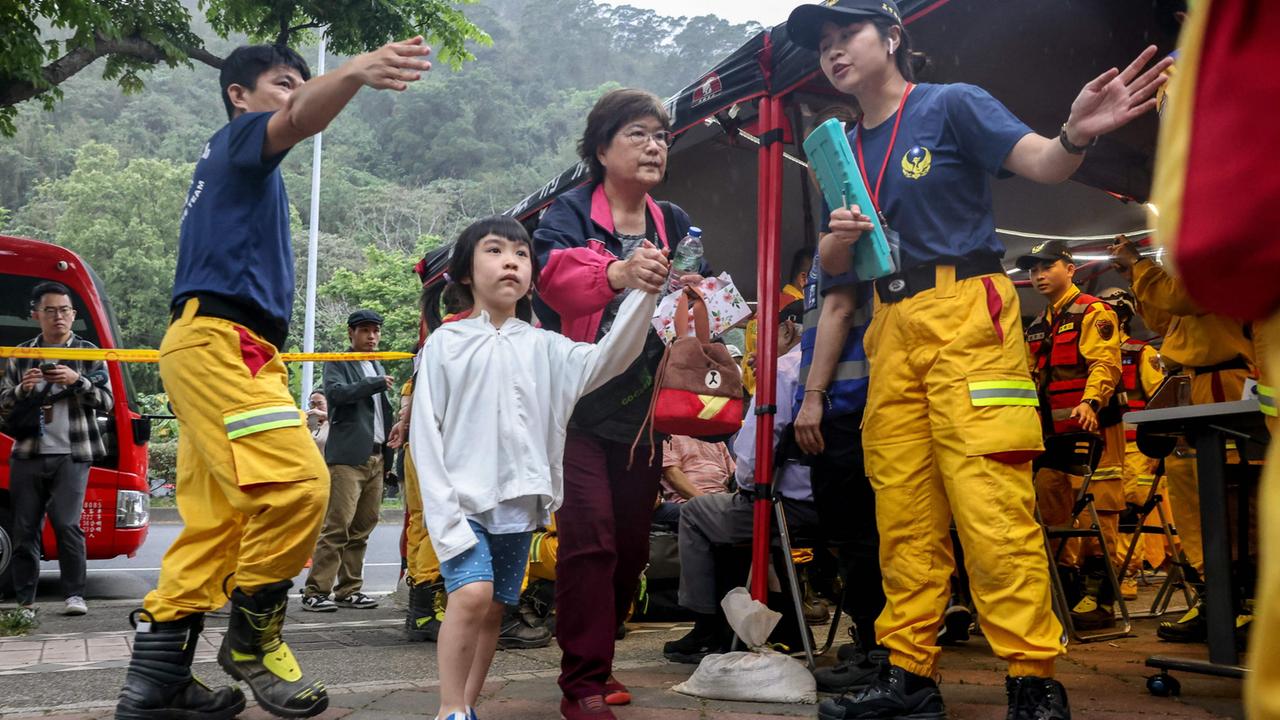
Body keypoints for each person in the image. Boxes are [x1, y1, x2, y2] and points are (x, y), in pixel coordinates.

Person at [786, 1, 1172, 717]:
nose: (834, 53)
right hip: (890, 325)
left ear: (893, 36)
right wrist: (836, 245)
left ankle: (1032, 679)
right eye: (824, 46)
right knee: (901, 509)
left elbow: (1042, 162)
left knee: (990, 503)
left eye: (849, 35)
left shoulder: (950, 105)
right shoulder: (836, 150)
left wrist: (1074, 134)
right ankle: (909, 676)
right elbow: (839, 280)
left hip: (968, 308)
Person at [114, 38, 431, 720]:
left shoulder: (232, 171)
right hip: (223, 347)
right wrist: (352, 71)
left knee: (217, 523)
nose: (294, 95)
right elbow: (297, 121)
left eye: (299, 82)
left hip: (213, 344)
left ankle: (155, 684)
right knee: (298, 485)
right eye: (284, 82)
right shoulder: (239, 142)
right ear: (240, 95)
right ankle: (253, 642)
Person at [409, 215, 660, 720]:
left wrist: (643, 294)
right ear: (464, 273)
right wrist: (443, 512)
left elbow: (608, 358)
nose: (511, 261)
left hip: (519, 508)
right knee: (472, 595)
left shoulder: (546, 347)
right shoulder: (444, 345)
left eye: (521, 254)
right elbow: (425, 437)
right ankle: (449, 709)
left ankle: (468, 706)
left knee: (494, 607)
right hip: (462, 504)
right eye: (495, 251)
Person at [532, 87, 704, 720]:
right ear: (601, 148)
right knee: (590, 539)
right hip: (577, 405)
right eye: (638, 133)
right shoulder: (568, 213)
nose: (655, 144)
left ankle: (599, 662)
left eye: (660, 134)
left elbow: (697, 282)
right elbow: (553, 278)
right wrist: (617, 274)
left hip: (643, 414)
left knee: (630, 546)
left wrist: (697, 291)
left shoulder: (675, 219)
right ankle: (581, 681)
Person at [1109, 236, 1258, 642]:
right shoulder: (1192, 275)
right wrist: (1137, 277)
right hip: (1198, 386)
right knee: (1193, 501)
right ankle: (1215, 601)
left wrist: (1139, 265)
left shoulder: (1224, 262)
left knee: (1232, 498)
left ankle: (1246, 605)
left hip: (1227, 384)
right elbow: (1167, 321)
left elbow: (1180, 300)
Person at [664, 302, 813, 662]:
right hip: (836, 508)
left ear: (788, 328)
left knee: (700, 513)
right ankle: (782, 624)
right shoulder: (841, 368)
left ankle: (707, 625)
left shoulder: (782, 371)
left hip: (782, 506)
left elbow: (749, 467)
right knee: (731, 519)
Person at [1019, 241, 1126, 631]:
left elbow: (1105, 363)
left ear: (1070, 268)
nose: (1038, 275)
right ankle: (1065, 592)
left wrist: (1091, 402)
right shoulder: (1037, 325)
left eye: (1047, 266)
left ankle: (1101, 600)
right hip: (1051, 437)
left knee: (1102, 510)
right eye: (1033, 270)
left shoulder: (1094, 312)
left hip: (1094, 428)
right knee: (1052, 511)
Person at [0, 282, 113, 618]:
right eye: (50, 311)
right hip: (28, 452)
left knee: (67, 524)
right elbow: (3, 405)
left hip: (74, 452)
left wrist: (76, 380)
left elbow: (105, 400)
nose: (58, 317)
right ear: (37, 315)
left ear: (73, 315)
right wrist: (23, 388)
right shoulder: (22, 352)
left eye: (64, 310)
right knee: (24, 529)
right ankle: (25, 603)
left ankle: (74, 594)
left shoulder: (87, 352)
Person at [301, 310, 394, 612]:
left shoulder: (376, 363)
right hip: (348, 459)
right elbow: (337, 395)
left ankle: (349, 589)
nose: (372, 337)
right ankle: (315, 591)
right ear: (351, 334)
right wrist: (375, 383)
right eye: (365, 331)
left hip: (377, 456)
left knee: (362, 527)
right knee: (337, 526)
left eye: (376, 331)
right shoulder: (339, 362)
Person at [1098, 287, 1172, 595]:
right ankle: (1105, 571)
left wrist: (1158, 450)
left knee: (1128, 510)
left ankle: (1126, 572)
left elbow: (1161, 399)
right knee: (1106, 508)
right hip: (1104, 446)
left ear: (1122, 316)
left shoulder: (1141, 353)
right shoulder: (1097, 357)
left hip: (1137, 449)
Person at [652, 434, 736, 526]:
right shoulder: (670, 437)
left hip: (722, 499)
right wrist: (708, 503)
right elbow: (673, 475)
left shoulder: (716, 439)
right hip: (687, 502)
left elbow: (733, 474)